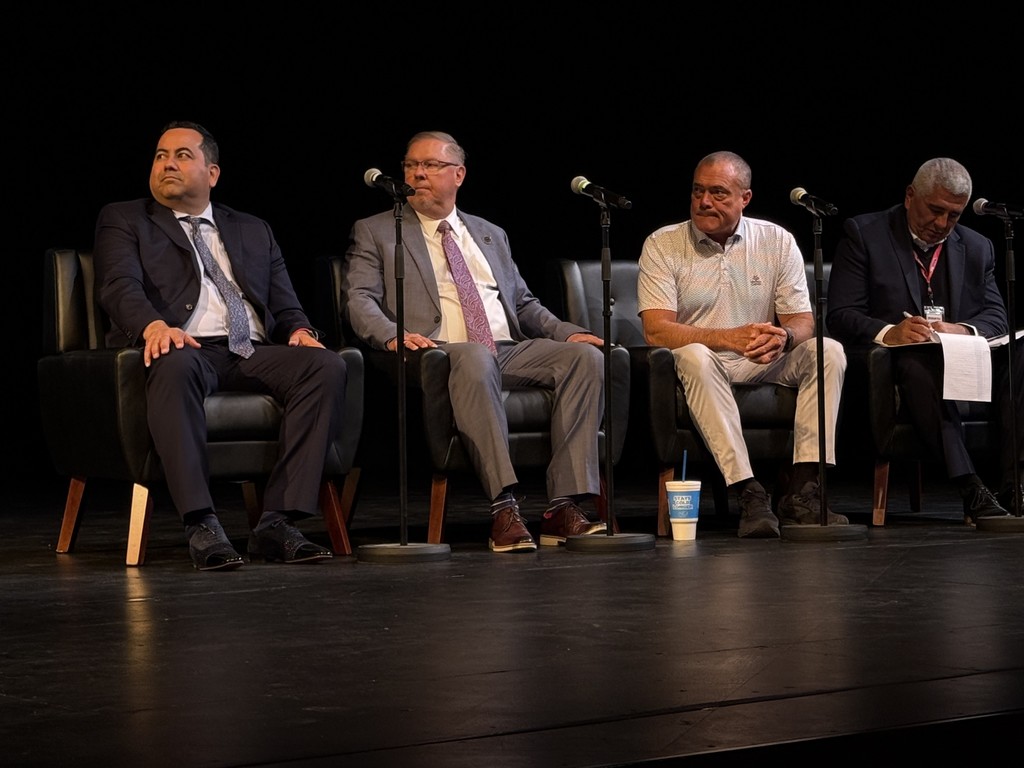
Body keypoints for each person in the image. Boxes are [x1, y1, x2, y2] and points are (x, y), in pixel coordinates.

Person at [94, 120, 349, 570]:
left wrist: (299, 332)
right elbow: (119, 286)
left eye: (182, 155)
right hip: (183, 345)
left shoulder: (253, 228)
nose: (167, 163)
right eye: (160, 155)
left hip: (250, 349)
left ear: (212, 173)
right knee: (175, 364)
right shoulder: (126, 218)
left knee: (325, 366)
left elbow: (285, 303)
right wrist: (153, 326)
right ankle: (202, 523)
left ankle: (276, 522)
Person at [342, 130, 607, 553]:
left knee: (585, 360)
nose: (419, 173)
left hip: (507, 348)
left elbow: (523, 303)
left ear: (458, 174)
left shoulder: (489, 233)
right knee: (475, 357)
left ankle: (563, 506)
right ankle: (504, 506)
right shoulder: (377, 231)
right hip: (438, 351)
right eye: (412, 165)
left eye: (431, 165)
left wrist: (567, 332)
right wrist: (391, 335)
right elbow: (359, 299)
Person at [637, 150, 849, 538]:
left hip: (760, 359)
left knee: (827, 350)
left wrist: (784, 338)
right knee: (697, 356)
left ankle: (804, 491)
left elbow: (802, 321)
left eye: (718, 193)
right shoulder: (663, 244)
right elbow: (657, 330)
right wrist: (725, 338)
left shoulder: (776, 240)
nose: (704, 202)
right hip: (700, 362)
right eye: (698, 191)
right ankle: (748, 492)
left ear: (744, 198)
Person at [826, 157, 1022, 523]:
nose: (942, 224)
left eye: (953, 216)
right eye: (935, 211)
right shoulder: (865, 234)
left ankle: (1015, 486)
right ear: (910, 195)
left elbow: (997, 317)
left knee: (1020, 355)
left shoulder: (978, 248)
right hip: (901, 363)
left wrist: (960, 330)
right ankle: (970, 487)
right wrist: (890, 333)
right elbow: (841, 314)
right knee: (919, 364)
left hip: (965, 356)